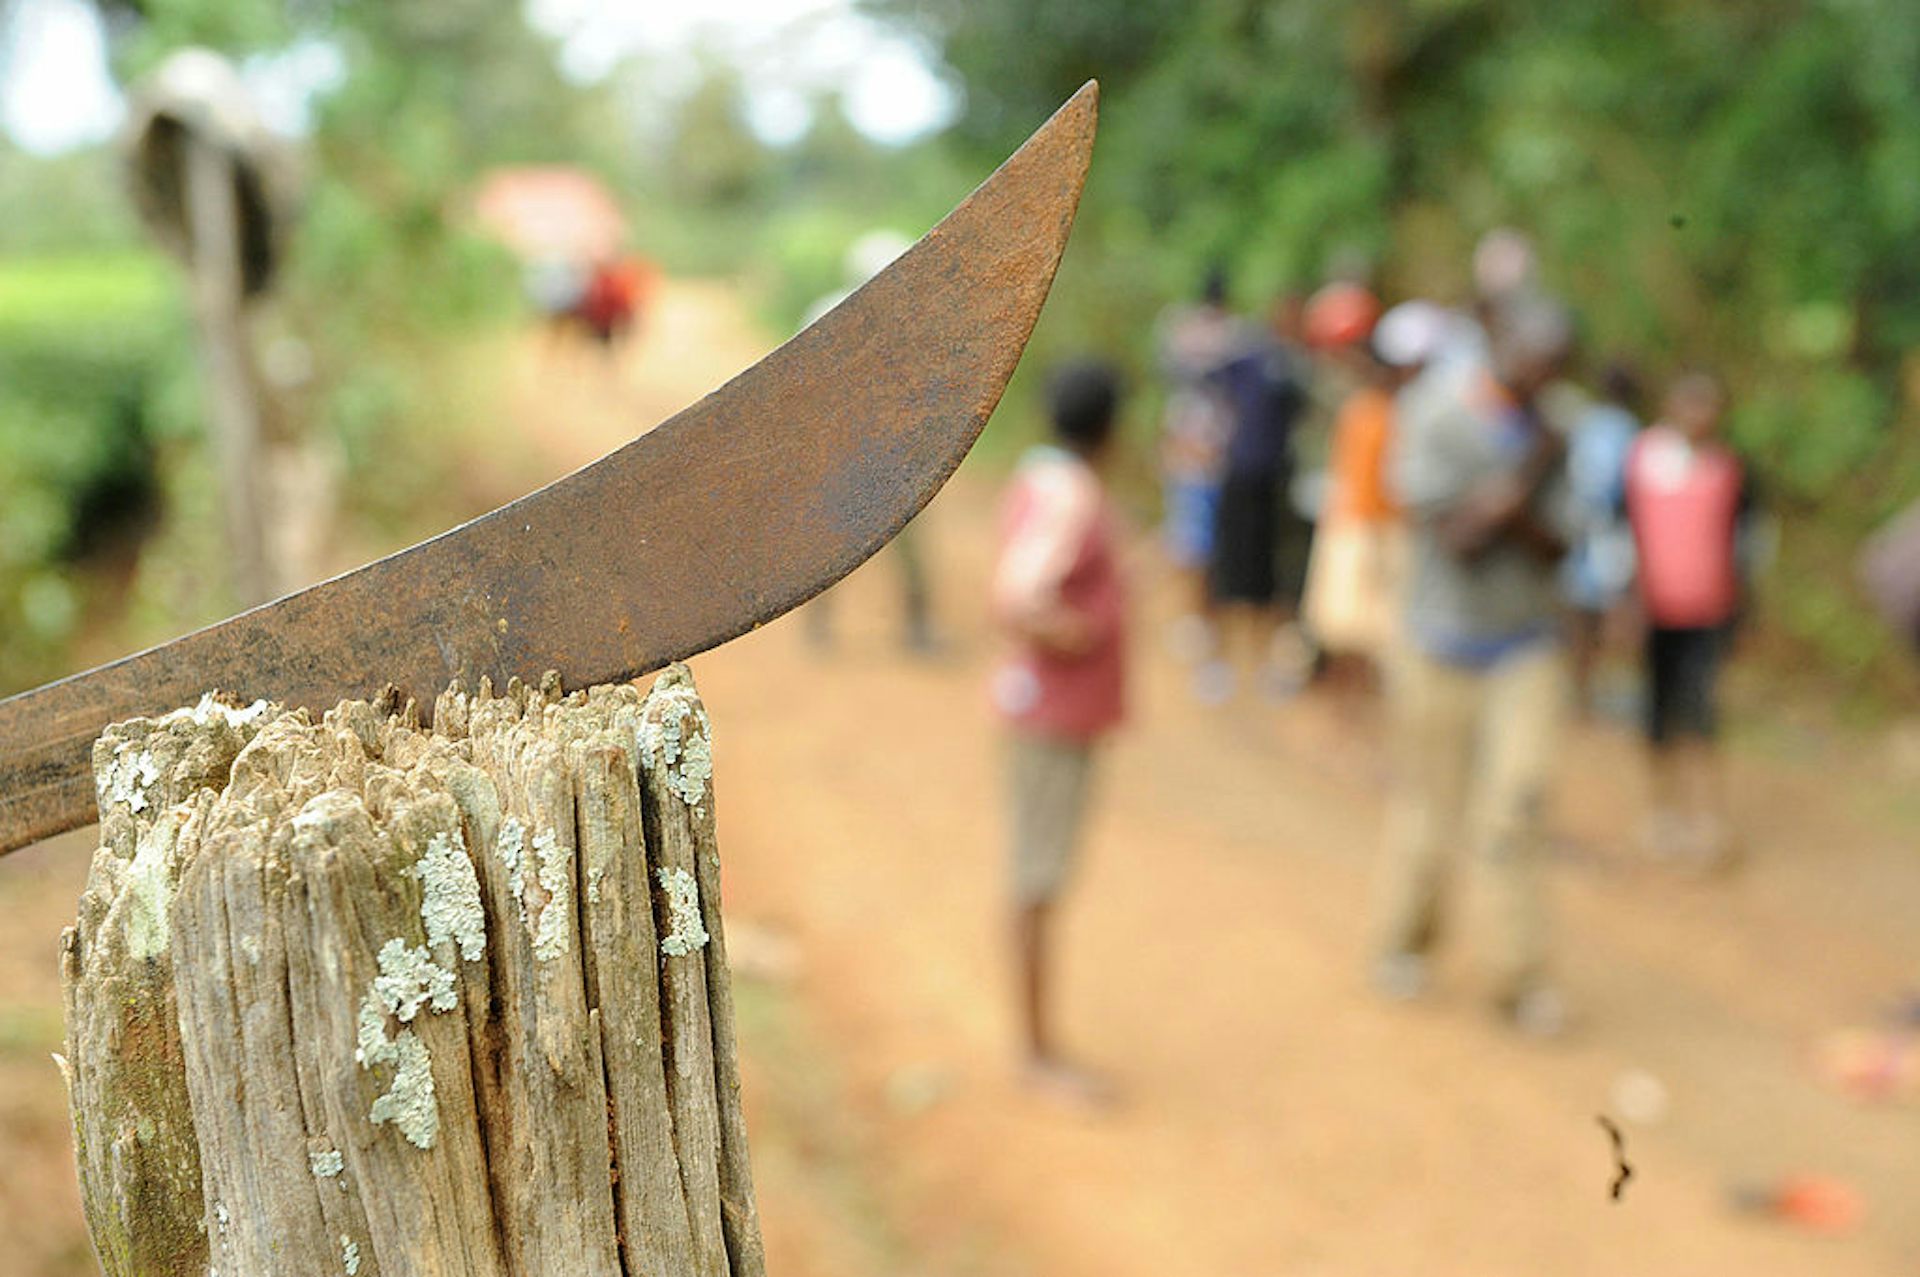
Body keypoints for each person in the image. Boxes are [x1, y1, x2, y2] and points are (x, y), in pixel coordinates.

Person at [1371, 294, 1578, 1035]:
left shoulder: (1562, 428)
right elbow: (1456, 537)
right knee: (1429, 810)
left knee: (1516, 810)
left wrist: (1513, 498)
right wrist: (1525, 479)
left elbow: (1562, 545)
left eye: (1556, 365)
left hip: (1526, 648)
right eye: (1535, 359)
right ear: (1501, 345)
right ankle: (1404, 942)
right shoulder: (1437, 414)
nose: (1544, 375)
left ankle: (1517, 978)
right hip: (1439, 647)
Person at [989, 360, 1128, 1104]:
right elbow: (1017, 598)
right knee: (1036, 878)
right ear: (1112, 427)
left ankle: (1036, 1044)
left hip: (1045, 710)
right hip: (1051, 714)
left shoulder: (1042, 479)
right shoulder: (1072, 493)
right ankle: (1036, 1053)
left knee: (1037, 874)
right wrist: (1079, 634)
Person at [1625, 371, 1752, 870]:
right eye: (1692, 403)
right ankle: (1661, 813)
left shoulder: (1728, 470)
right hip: (1654, 608)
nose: (1701, 415)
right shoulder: (1644, 462)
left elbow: (1746, 543)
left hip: (1709, 609)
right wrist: (1624, 600)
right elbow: (1620, 531)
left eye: (1709, 405)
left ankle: (1708, 820)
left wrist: (1744, 609)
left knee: (1702, 710)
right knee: (1658, 710)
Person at [1196, 311, 1310, 701]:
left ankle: (1261, 664)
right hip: (1239, 478)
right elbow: (1205, 380)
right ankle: (1220, 662)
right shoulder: (1246, 360)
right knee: (1227, 570)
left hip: (1271, 484)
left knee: (1265, 576)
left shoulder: (1291, 369)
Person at [1302, 330, 1411, 686]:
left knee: (1378, 626)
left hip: (1384, 527)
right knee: (1343, 626)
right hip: (1355, 525)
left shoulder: (1394, 413)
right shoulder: (1361, 411)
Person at [1154, 267, 1240, 660]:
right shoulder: (1232, 335)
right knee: (1197, 547)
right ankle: (1199, 618)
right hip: (1205, 458)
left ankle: (1199, 618)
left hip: (1196, 457)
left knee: (1195, 546)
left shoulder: (1183, 331)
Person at [1561, 362, 1645, 717]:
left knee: (1581, 611)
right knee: (1607, 612)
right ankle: (1588, 694)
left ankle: (1581, 691)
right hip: (1608, 532)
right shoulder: (1630, 431)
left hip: (1577, 527)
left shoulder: (1584, 423)